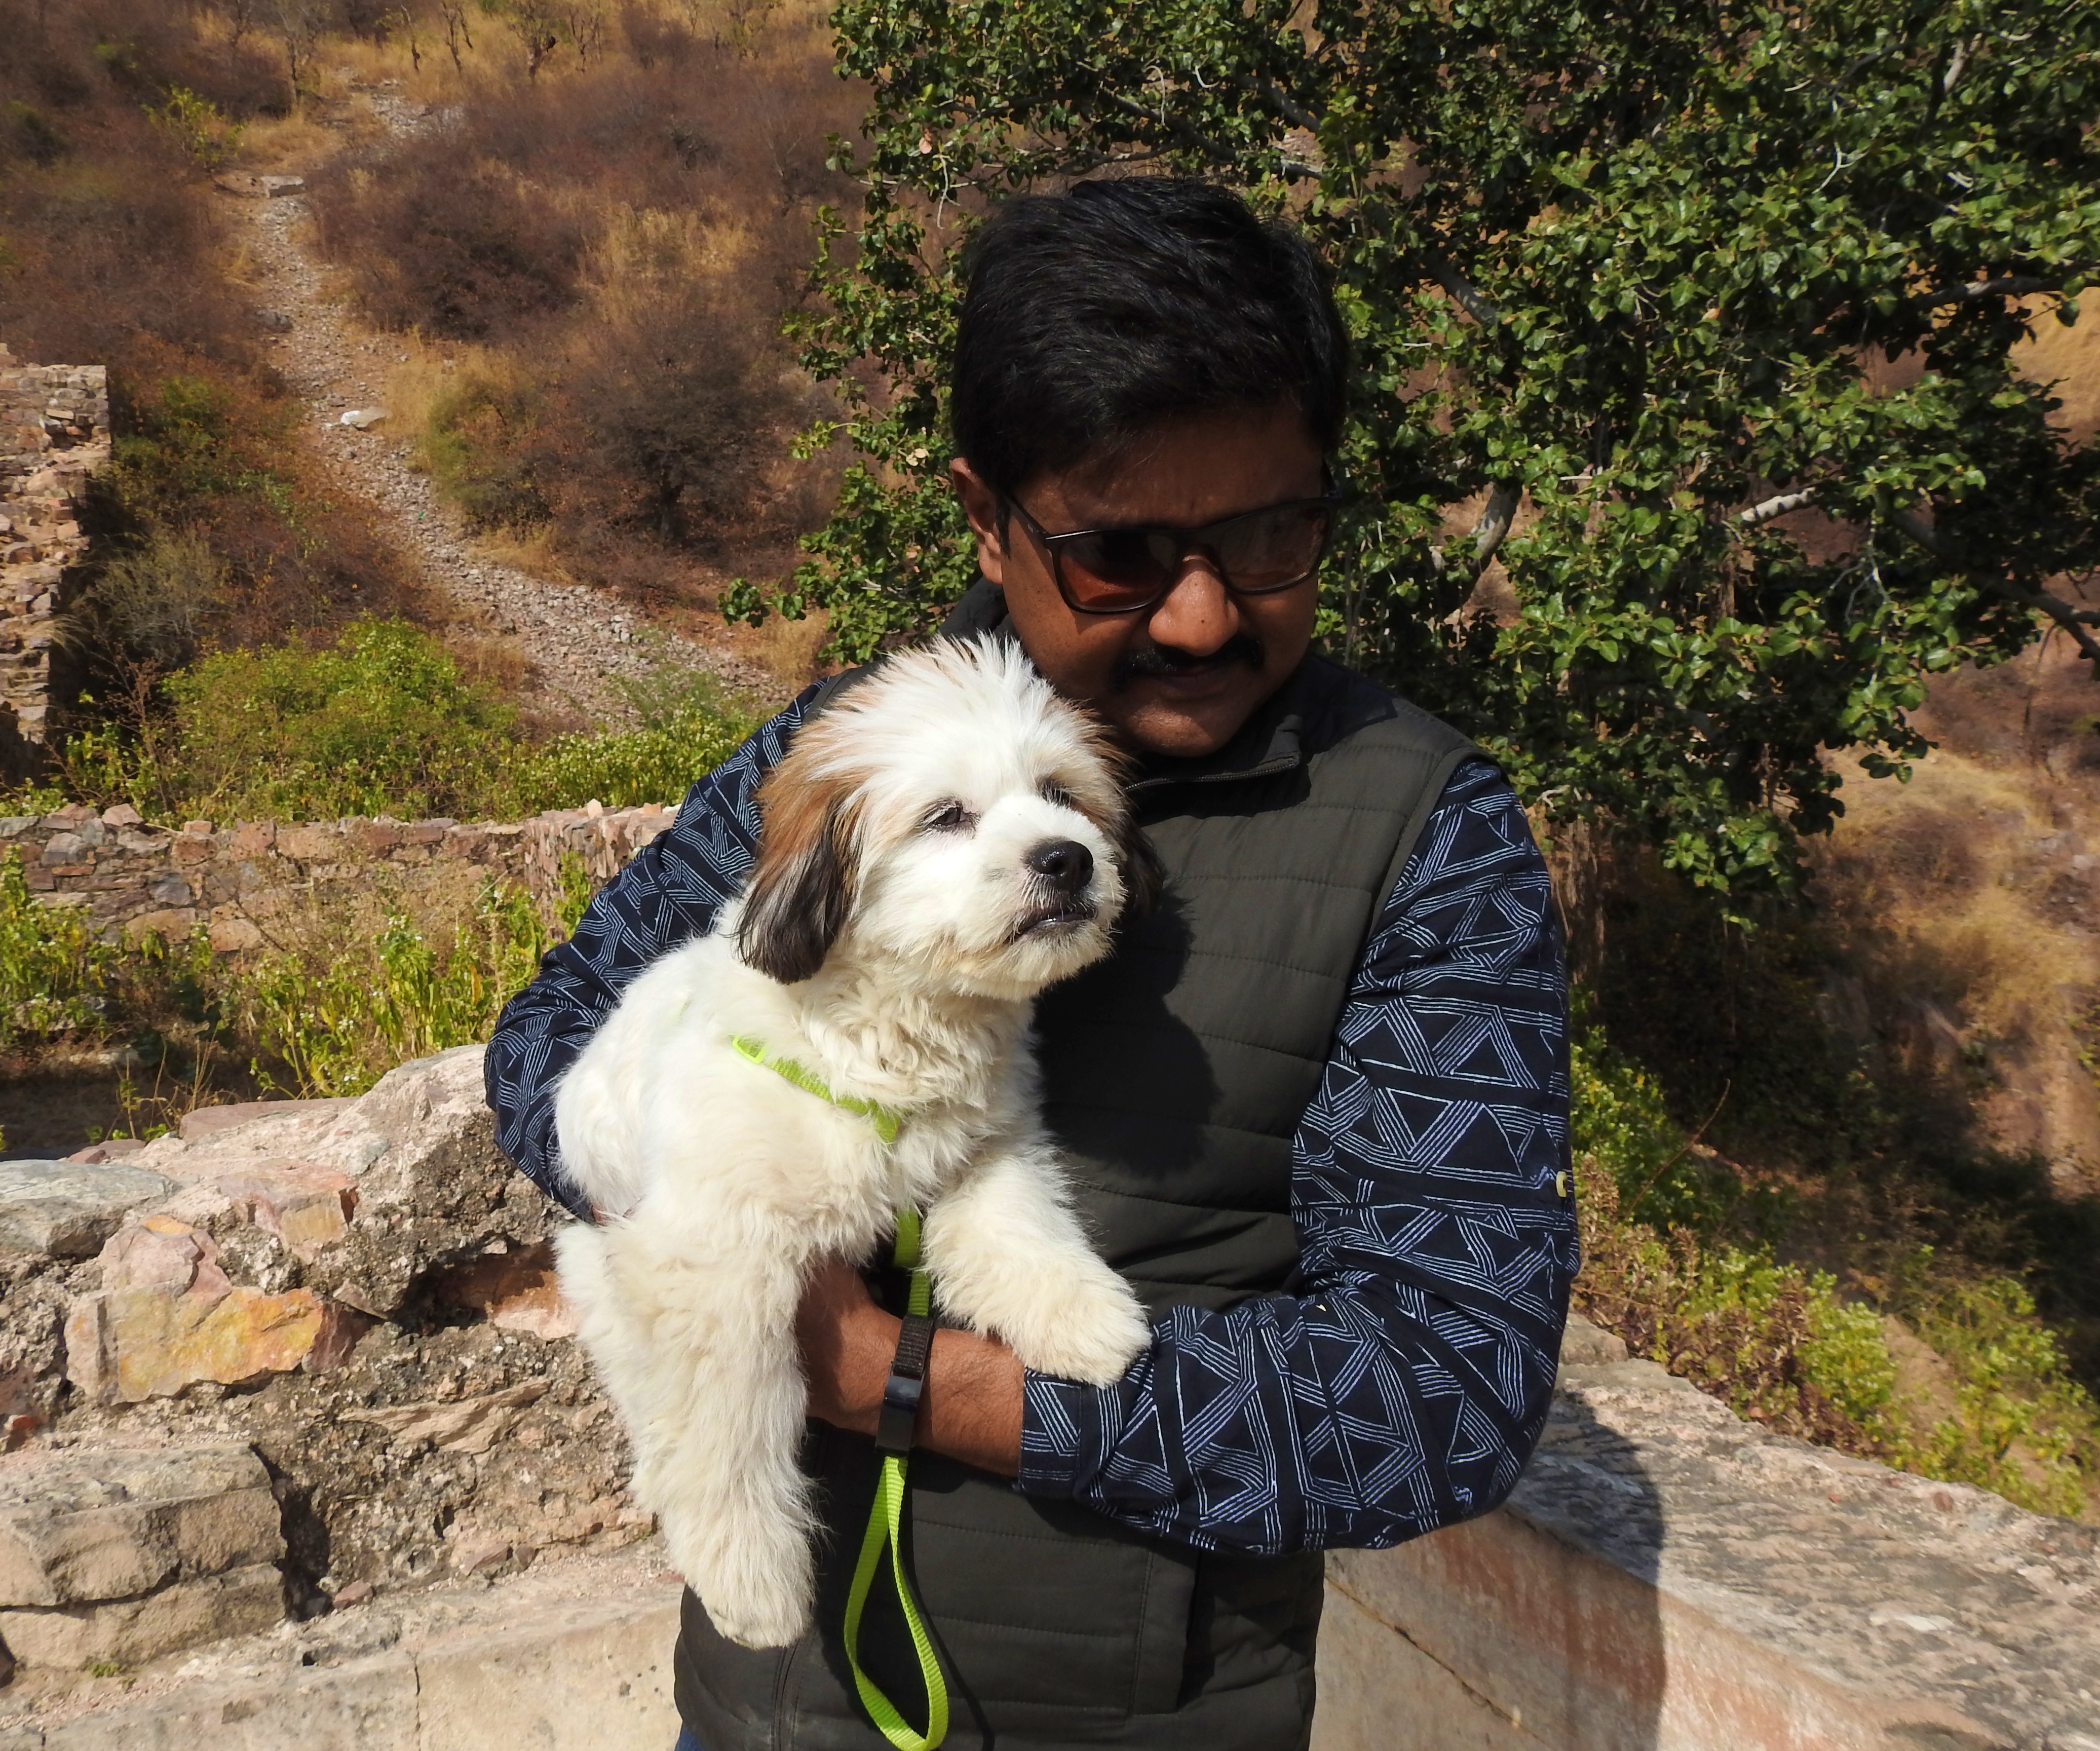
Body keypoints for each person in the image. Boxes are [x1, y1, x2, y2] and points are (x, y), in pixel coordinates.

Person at [486, 177, 1577, 1751]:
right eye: (1117, 553)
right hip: (767, 1709)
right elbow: (548, 1043)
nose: (1203, 617)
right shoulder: (852, 749)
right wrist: (715, 1212)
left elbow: (1434, 1397)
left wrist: (892, 1376)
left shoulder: (1423, 836)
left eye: (1270, 535)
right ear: (987, 521)